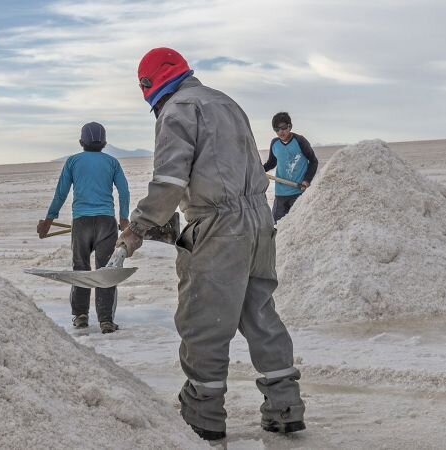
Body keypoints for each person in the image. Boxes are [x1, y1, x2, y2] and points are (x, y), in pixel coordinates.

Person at [116, 47, 305, 442]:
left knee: (204, 319)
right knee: (259, 312)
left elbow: (170, 181)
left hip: (219, 227)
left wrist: (138, 228)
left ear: (149, 86)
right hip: (259, 220)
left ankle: (203, 414)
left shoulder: (177, 110)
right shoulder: (226, 102)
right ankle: (284, 406)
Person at [38, 122, 130, 334]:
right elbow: (124, 191)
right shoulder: (112, 162)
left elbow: (60, 193)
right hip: (107, 222)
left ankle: (80, 317)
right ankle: (106, 321)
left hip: (81, 223)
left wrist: (49, 220)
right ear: (105, 143)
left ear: (81, 142)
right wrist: (123, 218)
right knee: (106, 271)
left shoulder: (73, 161)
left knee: (80, 268)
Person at [262, 112, 319, 223]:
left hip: (298, 192)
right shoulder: (275, 143)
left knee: (299, 224)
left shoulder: (300, 141)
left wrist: (307, 180)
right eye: (277, 129)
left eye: (283, 128)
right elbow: (272, 163)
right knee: (278, 226)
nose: (280, 132)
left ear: (290, 126)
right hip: (280, 194)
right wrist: (259, 170)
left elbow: (313, 161)